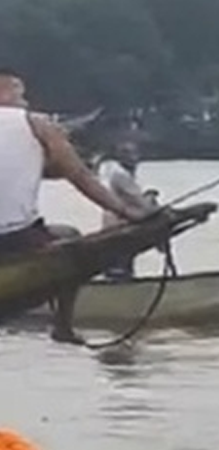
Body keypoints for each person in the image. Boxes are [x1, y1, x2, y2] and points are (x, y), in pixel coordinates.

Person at [0, 68, 148, 343]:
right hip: (14, 237)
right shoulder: (37, 123)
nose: (26, 101)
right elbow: (79, 177)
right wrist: (125, 211)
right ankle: (63, 326)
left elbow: (37, 170)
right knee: (71, 239)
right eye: (20, 93)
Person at [96, 138, 159, 281]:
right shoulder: (121, 175)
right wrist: (150, 197)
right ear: (121, 156)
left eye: (134, 153)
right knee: (121, 261)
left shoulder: (112, 171)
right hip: (120, 225)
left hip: (112, 223)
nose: (134, 158)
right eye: (129, 154)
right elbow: (142, 204)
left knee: (119, 260)